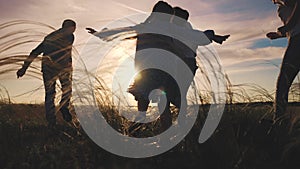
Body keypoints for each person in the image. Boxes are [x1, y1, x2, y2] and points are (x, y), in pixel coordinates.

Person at [17, 19, 76, 128]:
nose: (72, 33)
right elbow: (35, 52)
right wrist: (24, 68)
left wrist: (24, 68)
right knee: (55, 93)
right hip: (55, 68)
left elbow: (35, 52)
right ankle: (55, 118)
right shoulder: (68, 37)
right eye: (72, 30)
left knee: (57, 93)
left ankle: (55, 117)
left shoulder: (52, 37)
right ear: (67, 28)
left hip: (54, 68)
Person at [267, 0, 300, 122]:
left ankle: (278, 122)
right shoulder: (279, 6)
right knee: (283, 83)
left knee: (283, 83)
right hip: (295, 39)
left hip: (297, 42)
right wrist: (279, 34)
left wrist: (288, 26)